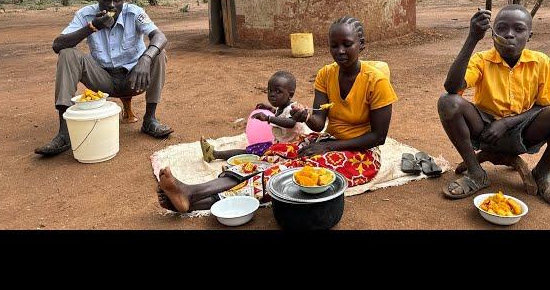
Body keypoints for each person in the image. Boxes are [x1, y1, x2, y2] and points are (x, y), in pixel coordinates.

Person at [156, 16, 398, 213]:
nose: (340, 51)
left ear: (362, 45)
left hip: (361, 155)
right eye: (334, 45)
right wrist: (304, 117)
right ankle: (193, 192)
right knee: (273, 154)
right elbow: (318, 124)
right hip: (328, 141)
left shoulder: (376, 82)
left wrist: (329, 148)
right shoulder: (326, 75)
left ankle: (199, 200)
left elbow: (378, 137)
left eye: (347, 44)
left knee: (293, 172)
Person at [437, 5, 550, 208]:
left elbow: (543, 106)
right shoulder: (481, 60)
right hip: (484, 129)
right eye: (502, 28)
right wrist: (472, 38)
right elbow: (452, 87)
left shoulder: (540, 62)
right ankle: (475, 172)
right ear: (492, 32)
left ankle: (542, 174)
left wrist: (507, 123)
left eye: (519, 29)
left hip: (525, 129)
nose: (509, 35)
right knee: (448, 101)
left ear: (529, 35)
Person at [34, 0, 172, 156]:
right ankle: (64, 133)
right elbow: (57, 45)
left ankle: (150, 120)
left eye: (118, 0)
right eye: (106, 0)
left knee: (158, 53)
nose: (112, 5)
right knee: (68, 53)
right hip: (102, 80)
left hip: (135, 77)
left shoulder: (134, 12)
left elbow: (160, 36)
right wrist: (91, 27)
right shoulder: (85, 14)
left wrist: (145, 59)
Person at [199, 70, 311, 161]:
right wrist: (268, 108)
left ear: (290, 95)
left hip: (292, 149)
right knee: (251, 150)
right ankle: (215, 154)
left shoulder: (294, 109)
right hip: (279, 145)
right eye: (270, 90)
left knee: (252, 153)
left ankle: (215, 154)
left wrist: (268, 118)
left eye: (278, 91)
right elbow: (280, 114)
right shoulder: (281, 106)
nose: (272, 95)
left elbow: (290, 123)